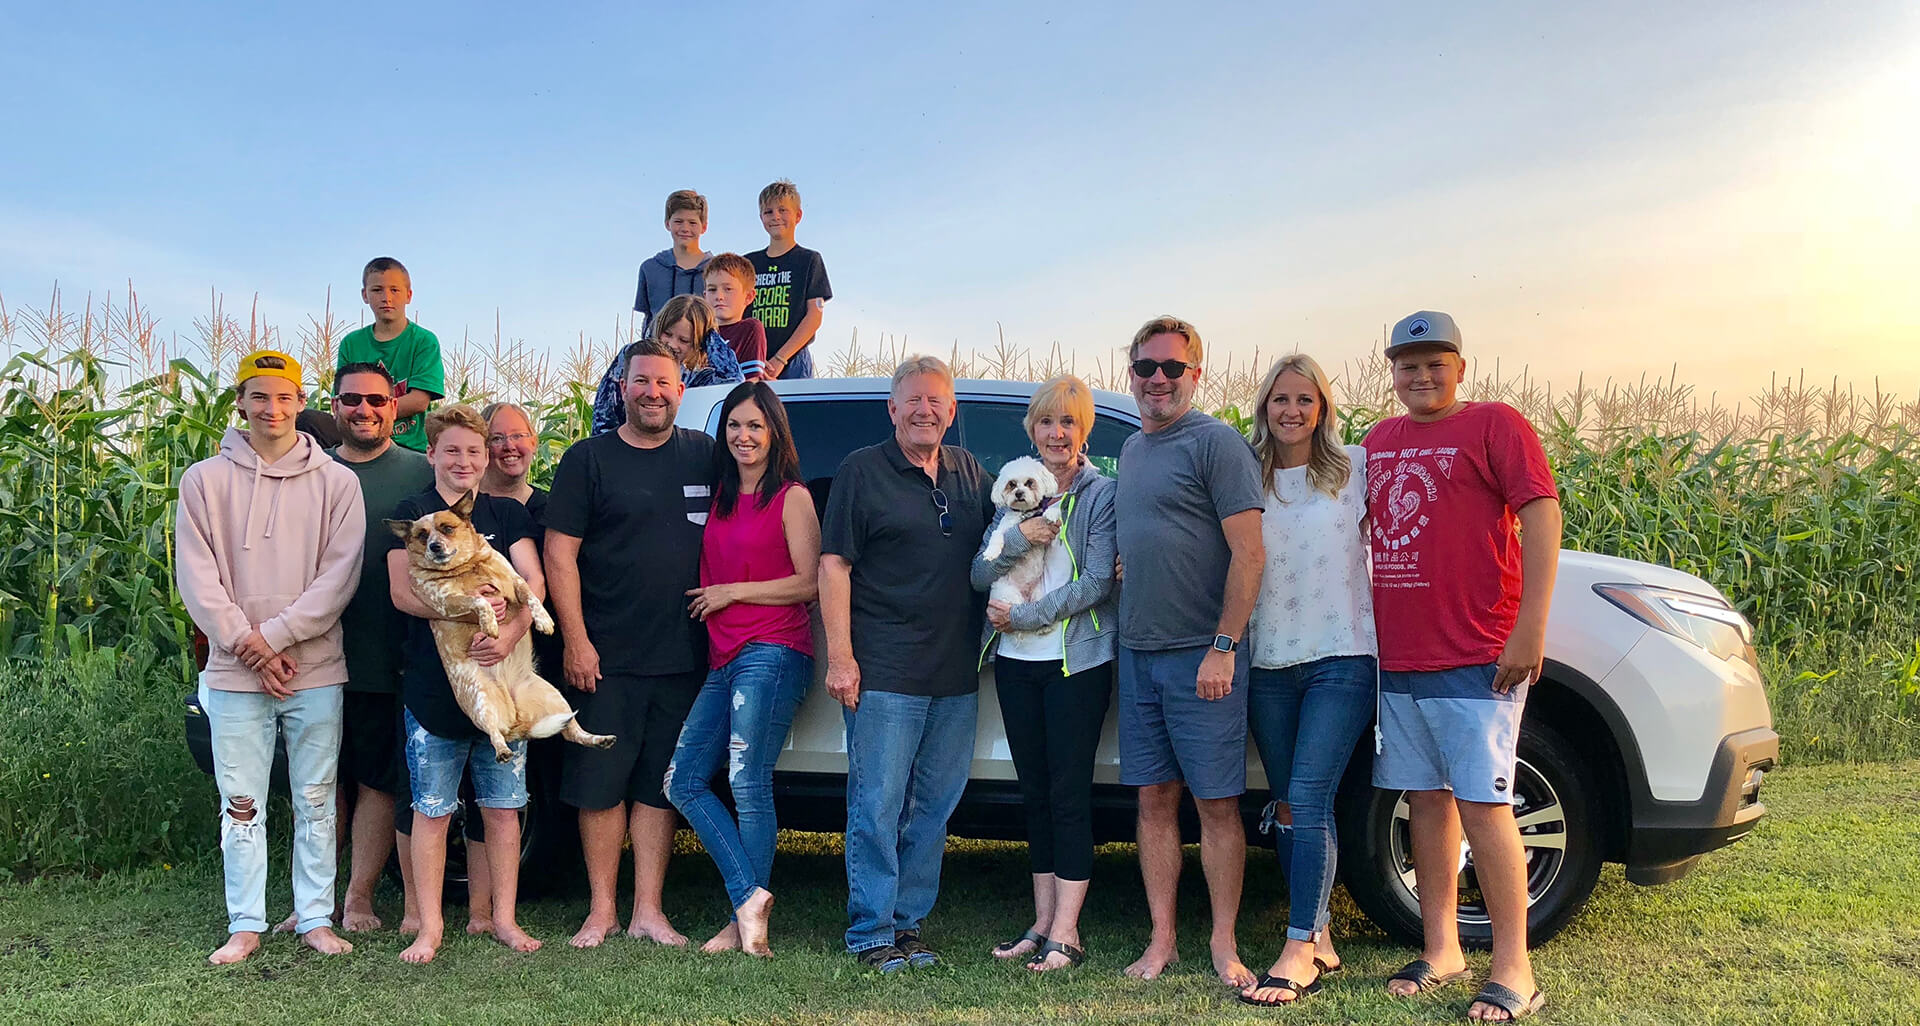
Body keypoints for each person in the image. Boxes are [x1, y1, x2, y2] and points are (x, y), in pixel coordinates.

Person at [1366, 312, 1560, 1023]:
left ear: (1460, 367)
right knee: (1425, 798)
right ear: (1392, 371)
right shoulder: (1379, 440)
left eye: (1434, 363)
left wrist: (1528, 628)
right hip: (1400, 655)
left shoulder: (1494, 425)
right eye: (1406, 365)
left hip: (1477, 650)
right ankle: (1442, 947)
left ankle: (1515, 968)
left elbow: (1541, 514)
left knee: (1484, 803)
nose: (1420, 377)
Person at [175, 349, 364, 965]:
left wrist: (275, 638)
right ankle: (246, 923)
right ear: (241, 403)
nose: (272, 409)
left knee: (315, 796)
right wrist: (249, 646)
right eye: (259, 396)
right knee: (242, 803)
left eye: (284, 397)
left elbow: (340, 576)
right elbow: (197, 578)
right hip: (233, 672)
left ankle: (314, 916)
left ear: (301, 403)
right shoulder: (204, 481)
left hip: (313, 667)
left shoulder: (338, 483)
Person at [819, 355, 993, 972]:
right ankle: (871, 931)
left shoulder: (970, 472)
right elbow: (834, 564)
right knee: (877, 804)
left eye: (936, 401)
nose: (925, 410)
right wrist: (841, 657)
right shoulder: (861, 471)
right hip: (884, 670)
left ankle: (908, 924)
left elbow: (1004, 547)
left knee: (933, 809)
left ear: (951, 411)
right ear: (892, 409)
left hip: (954, 675)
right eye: (912, 400)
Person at [545, 338, 715, 949]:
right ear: (623, 388)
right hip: (605, 658)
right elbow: (559, 553)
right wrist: (577, 641)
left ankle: (648, 910)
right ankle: (601, 911)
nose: (652, 393)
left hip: (684, 656)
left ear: (681, 391)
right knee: (600, 785)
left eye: (664, 384)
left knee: (655, 785)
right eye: (641, 382)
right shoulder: (588, 460)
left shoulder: (704, 453)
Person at [1112, 315, 1265, 988]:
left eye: (1172, 368)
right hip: (1137, 654)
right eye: (1146, 367)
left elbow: (1250, 554)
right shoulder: (1133, 450)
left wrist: (1224, 647)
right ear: (1132, 374)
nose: (1158, 380)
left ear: (1196, 375)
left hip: (1202, 657)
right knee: (1152, 801)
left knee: (1217, 804)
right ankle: (1162, 939)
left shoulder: (1217, 444)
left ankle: (1224, 944)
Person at [1236, 354, 1377, 1007]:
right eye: (1279, 400)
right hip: (1267, 661)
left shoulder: (1355, 469)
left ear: (1323, 408)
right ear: (1264, 407)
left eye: (1304, 399)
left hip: (1340, 656)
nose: (1290, 411)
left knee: (1312, 793)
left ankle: (1296, 948)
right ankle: (1319, 933)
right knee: (1289, 805)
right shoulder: (1247, 475)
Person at [665, 381, 820, 958]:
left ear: (775, 432)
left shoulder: (793, 497)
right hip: (721, 657)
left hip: (774, 651)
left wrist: (732, 592)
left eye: (756, 425)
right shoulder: (722, 498)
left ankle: (743, 920)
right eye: (734, 425)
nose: (744, 435)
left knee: (747, 783)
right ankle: (748, 900)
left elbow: (809, 583)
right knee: (681, 781)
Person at [385, 405, 546, 963]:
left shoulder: (506, 513)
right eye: (452, 450)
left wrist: (510, 632)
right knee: (433, 809)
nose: (465, 461)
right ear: (431, 454)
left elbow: (533, 583)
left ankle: (502, 919)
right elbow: (403, 593)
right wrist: (468, 611)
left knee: (503, 809)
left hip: (502, 684)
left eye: (474, 452)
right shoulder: (411, 515)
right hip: (435, 690)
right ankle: (429, 928)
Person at [969, 375, 1118, 972]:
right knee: (1033, 793)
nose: (1057, 433)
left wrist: (1026, 614)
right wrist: (1015, 542)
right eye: (1047, 423)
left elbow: (1098, 581)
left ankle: (1067, 930)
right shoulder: (1010, 500)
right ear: (1032, 430)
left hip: (1073, 662)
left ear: (1084, 432)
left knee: (1067, 793)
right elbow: (980, 575)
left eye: (1069, 423)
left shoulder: (1099, 494)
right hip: (1014, 664)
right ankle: (1040, 920)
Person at [327, 362, 434, 936]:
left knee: (375, 780)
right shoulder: (309, 469)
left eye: (375, 400)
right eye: (350, 400)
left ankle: (360, 897)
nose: (363, 410)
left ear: (395, 406)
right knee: (317, 783)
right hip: (312, 655)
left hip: (386, 654)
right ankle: (314, 896)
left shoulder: (419, 473)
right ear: (334, 405)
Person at [588, 190, 714, 435]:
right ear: (667, 223)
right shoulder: (651, 268)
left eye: (692, 222)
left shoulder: (714, 269)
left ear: (704, 226)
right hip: (655, 358)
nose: (685, 228)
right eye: (678, 221)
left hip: (692, 361)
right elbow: (647, 320)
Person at [337, 257, 444, 452]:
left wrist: (369, 412)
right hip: (359, 443)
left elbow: (419, 400)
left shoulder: (423, 341)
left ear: (409, 295)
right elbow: (341, 400)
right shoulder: (351, 343)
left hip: (409, 446)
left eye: (395, 290)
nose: (386, 298)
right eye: (377, 290)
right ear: (365, 295)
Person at [590, 295, 741, 434]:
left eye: (683, 340)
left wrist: (709, 334)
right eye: (667, 334)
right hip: (625, 448)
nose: (672, 344)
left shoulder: (697, 380)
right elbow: (604, 411)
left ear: (698, 345)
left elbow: (734, 381)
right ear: (658, 328)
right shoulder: (632, 356)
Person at [746, 179, 832, 380]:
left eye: (782, 210)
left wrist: (781, 358)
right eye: (769, 212)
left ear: (798, 215)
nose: (775, 217)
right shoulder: (748, 263)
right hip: (753, 359)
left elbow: (814, 316)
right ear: (761, 218)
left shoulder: (809, 260)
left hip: (792, 360)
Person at [703, 252, 769, 381]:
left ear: (749, 297)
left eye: (728, 289)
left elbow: (751, 382)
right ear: (704, 295)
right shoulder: (698, 331)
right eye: (712, 289)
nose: (719, 296)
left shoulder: (750, 329)